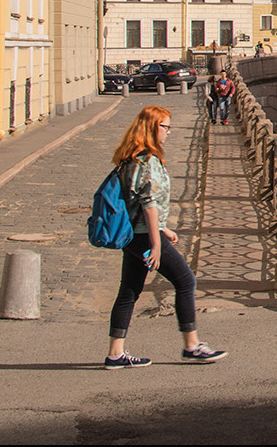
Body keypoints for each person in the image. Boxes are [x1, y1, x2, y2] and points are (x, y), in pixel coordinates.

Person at [105, 105, 226, 369]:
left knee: (129, 291)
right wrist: (157, 243)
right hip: (145, 237)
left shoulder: (130, 158)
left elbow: (136, 202)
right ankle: (192, 346)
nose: (169, 132)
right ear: (151, 127)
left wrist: (164, 228)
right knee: (185, 281)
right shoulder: (147, 160)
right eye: (165, 127)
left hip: (134, 235)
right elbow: (148, 204)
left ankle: (115, 354)